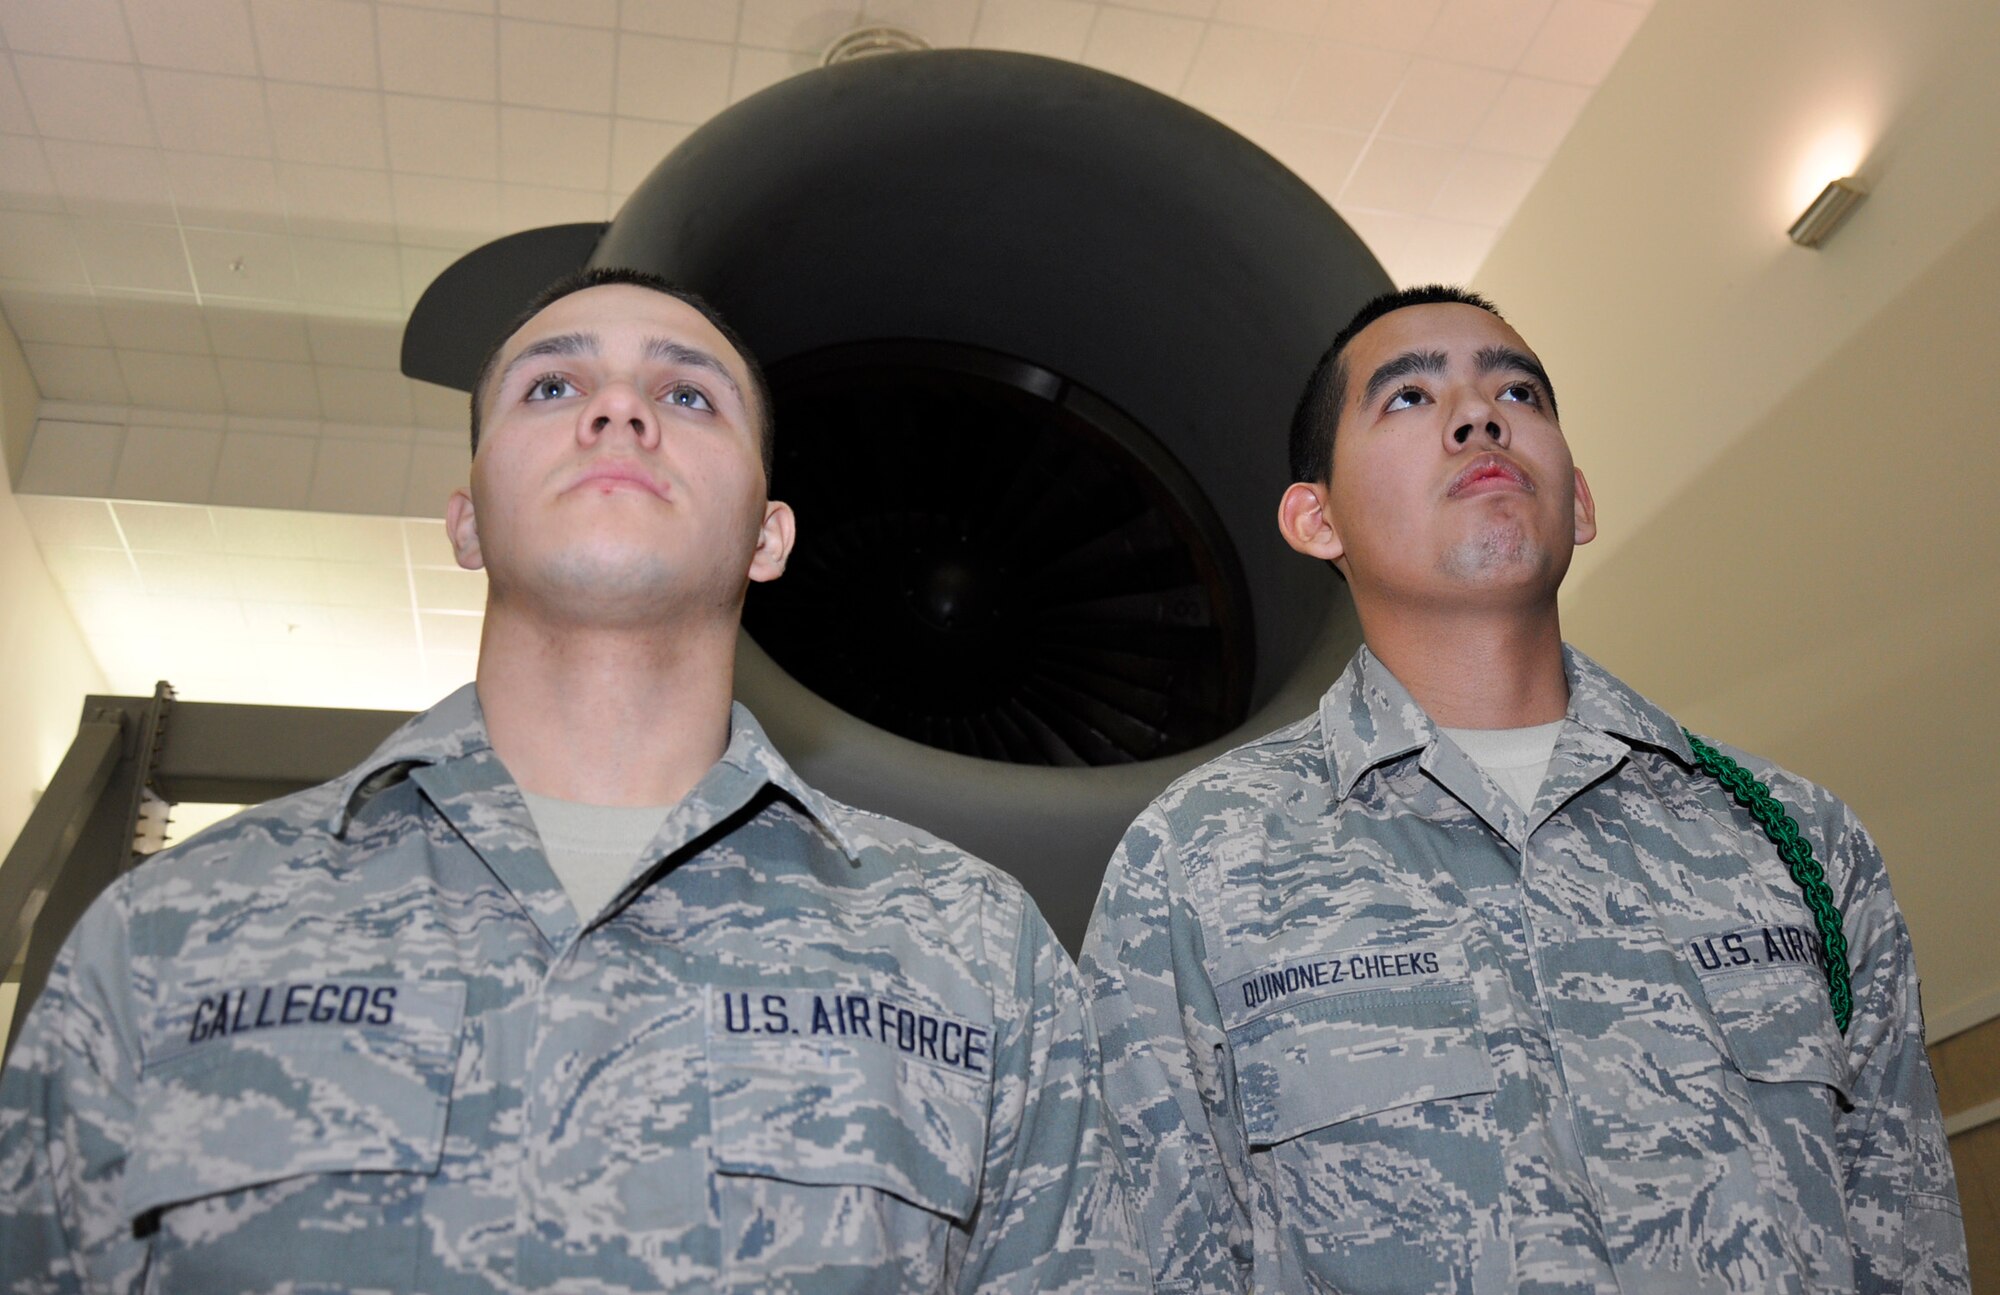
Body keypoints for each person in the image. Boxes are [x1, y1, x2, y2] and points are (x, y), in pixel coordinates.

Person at [0, 268, 1146, 1295]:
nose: (618, 408)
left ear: (769, 534)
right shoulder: (172, 932)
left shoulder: (975, 958)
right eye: (552, 388)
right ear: (464, 520)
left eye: (689, 396)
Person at [1082, 284, 1968, 1294]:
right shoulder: (1196, 861)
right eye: (1409, 398)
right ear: (1313, 517)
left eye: (1518, 391)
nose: (1478, 414)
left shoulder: (1795, 841)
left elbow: (1904, 1239)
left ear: (1578, 500)